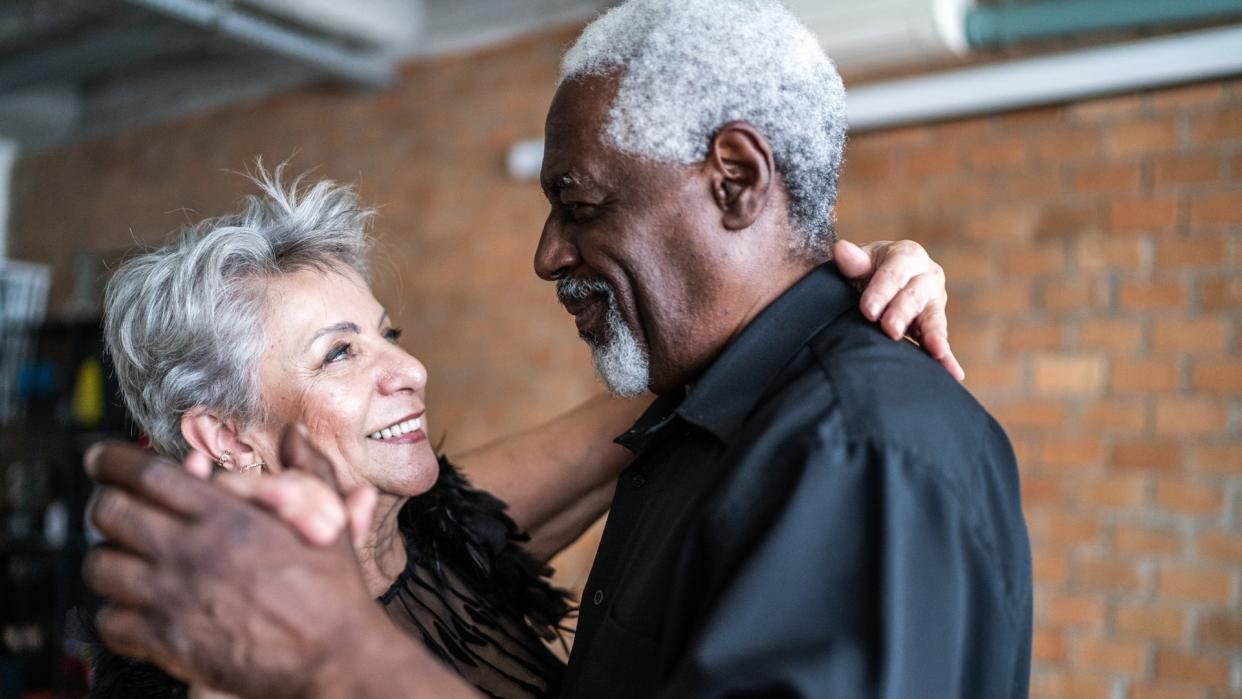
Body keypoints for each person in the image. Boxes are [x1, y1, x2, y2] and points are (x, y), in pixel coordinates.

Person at [84, 155, 958, 697]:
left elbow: (711, 368)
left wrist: (838, 286)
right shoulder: (202, 659)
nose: (409, 369)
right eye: (339, 355)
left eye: (388, 335)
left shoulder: (441, 526)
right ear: (223, 435)